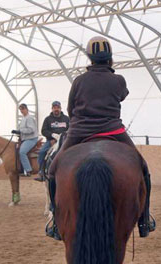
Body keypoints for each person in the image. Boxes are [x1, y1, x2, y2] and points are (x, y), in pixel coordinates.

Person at [48, 35, 154, 239]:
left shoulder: (79, 81)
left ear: (90, 58)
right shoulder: (118, 80)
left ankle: (55, 220)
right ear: (110, 57)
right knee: (143, 167)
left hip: (79, 132)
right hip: (113, 130)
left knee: (53, 170)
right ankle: (144, 220)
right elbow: (122, 95)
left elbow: (70, 108)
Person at [34, 101, 69, 182]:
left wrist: (63, 136)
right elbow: (43, 131)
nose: (56, 109)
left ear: (60, 108)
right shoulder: (48, 119)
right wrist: (52, 135)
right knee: (42, 152)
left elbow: (71, 129)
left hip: (64, 140)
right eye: (54, 108)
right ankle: (41, 172)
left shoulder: (66, 119)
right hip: (51, 141)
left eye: (58, 107)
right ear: (52, 109)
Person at [11, 103, 39, 177]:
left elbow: (31, 129)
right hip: (24, 139)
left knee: (22, 152)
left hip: (31, 139)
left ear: (27, 109)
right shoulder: (23, 119)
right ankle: (20, 169)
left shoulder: (29, 118)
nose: (22, 111)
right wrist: (17, 131)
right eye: (21, 110)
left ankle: (28, 170)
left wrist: (20, 131)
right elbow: (21, 129)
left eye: (23, 109)